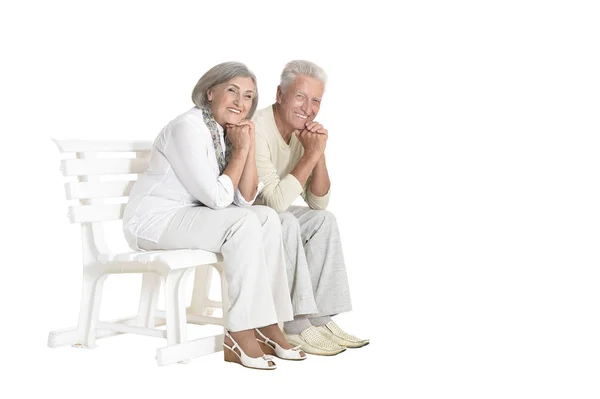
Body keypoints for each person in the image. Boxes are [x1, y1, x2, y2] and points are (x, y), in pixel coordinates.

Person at [122, 62, 305, 370]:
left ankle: (268, 323)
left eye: (248, 97)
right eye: (232, 91)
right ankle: (240, 331)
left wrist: (244, 146)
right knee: (244, 222)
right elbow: (220, 199)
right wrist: (242, 148)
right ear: (210, 92)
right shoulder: (187, 128)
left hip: (192, 217)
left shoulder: (224, 132)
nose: (240, 102)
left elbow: (245, 199)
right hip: (155, 222)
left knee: (266, 218)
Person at [252, 60, 369, 356]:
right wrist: (311, 153)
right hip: (243, 214)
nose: (309, 107)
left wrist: (319, 154)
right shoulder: (258, 129)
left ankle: (318, 317)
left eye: (316, 100)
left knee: (323, 221)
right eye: (301, 96)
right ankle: (293, 322)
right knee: (287, 222)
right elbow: (275, 202)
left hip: (270, 215)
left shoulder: (302, 133)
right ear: (280, 94)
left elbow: (318, 203)